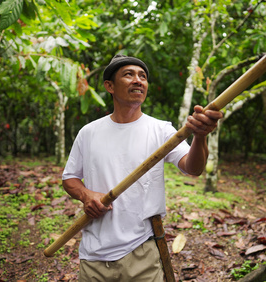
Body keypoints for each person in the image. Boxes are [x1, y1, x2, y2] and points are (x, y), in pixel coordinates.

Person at [62, 54, 223, 281]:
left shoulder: (161, 130)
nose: (138, 80)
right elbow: (69, 178)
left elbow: (192, 168)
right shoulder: (89, 132)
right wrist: (86, 195)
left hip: (142, 250)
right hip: (94, 253)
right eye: (128, 74)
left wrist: (200, 137)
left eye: (143, 76)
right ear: (110, 86)